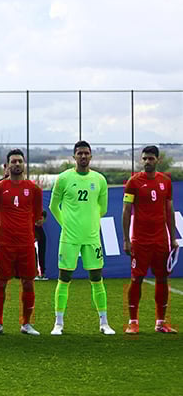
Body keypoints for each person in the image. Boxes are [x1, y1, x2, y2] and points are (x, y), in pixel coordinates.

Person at [49, 140, 115, 335]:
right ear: (74, 156)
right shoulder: (63, 178)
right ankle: (58, 323)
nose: (83, 156)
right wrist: (66, 225)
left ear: (91, 156)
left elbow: (102, 209)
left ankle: (104, 323)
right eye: (80, 153)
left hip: (92, 237)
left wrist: (90, 223)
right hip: (69, 238)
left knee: (96, 278)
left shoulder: (100, 180)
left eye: (86, 153)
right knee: (64, 278)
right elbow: (54, 206)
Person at [123, 145, 178, 334]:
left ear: (158, 160)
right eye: (144, 158)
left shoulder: (166, 182)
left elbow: (169, 210)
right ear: (141, 160)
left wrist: (172, 238)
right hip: (140, 241)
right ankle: (133, 322)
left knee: (162, 279)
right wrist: (126, 239)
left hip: (161, 240)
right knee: (136, 278)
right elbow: (126, 211)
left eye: (151, 158)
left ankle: (161, 322)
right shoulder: (133, 182)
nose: (147, 162)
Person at [0, 149, 42, 336]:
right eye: (13, 161)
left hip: (26, 244)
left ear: (24, 164)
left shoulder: (34, 189)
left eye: (20, 161)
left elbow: (36, 214)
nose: (17, 164)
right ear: (7, 165)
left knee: (28, 283)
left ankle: (26, 324)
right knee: (0, 283)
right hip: (5, 244)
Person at [34, 210, 48, 280]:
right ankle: (34, 273)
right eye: (38, 218)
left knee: (41, 252)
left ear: (45, 219)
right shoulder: (29, 228)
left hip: (40, 235)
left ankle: (42, 273)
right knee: (33, 253)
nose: (39, 220)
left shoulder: (42, 234)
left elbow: (42, 253)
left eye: (41, 219)